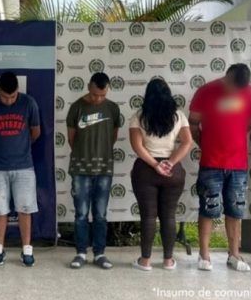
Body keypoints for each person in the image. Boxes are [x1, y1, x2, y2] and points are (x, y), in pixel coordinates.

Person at [189, 63, 251, 272]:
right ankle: (204, 255)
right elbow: (193, 124)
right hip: (211, 162)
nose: (233, 91)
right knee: (209, 209)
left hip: (238, 164)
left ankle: (234, 255)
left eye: (238, 89)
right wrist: (206, 144)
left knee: (235, 210)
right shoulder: (206, 91)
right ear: (226, 76)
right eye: (230, 86)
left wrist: (240, 140)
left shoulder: (249, 93)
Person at [130, 78, 193, 271]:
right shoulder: (178, 116)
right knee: (169, 216)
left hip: (146, 170)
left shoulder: (139, 117)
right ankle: (168, 261)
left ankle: (145, 261)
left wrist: (155, 165)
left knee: (148, 217)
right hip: (172, 171)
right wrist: (171, 162)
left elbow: (137, 146)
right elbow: (187, 142)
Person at [0, 72, 41, 267]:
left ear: (18, 92)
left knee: (25, 208)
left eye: (12, 97)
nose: (8, 100)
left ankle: (26, 250)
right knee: (0, 209)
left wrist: (19, 147)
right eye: (5, 97)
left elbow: (35, 132)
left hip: (24, 167)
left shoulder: (29, 103)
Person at [66, 72, 121, 270]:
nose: (99, 99)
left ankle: (100, 253)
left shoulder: (113, 108)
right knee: (81, 213)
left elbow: (113, 137)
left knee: (100, 213)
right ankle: (81, 252)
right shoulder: (76, 107)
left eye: (103, 95)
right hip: (80, 169)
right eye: (96, 94)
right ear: (89, 86)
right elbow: (71, 139)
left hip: (104, 169)